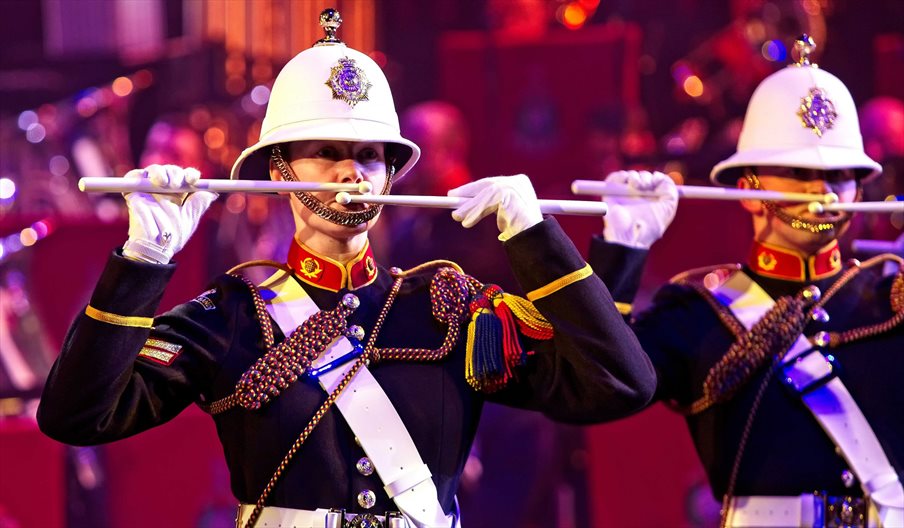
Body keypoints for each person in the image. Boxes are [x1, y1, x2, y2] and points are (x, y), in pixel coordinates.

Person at [36, 9, 656, 528]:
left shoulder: (448, 308)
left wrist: (538, 239)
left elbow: (619, 384)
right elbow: (76, 417)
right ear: (280, 171)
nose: (350, 174)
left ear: (392, 175)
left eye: (368, 156)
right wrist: (145, 259)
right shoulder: (229, 319)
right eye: (326, 154)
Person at [589, 36, 903, 527]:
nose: (821, 191)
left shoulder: (892, 299)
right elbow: (597, 388)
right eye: (798, 173)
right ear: (749, 191)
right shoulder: (696, 312)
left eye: (841, 174)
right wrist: (622, 255)